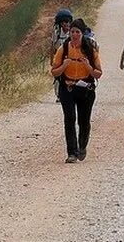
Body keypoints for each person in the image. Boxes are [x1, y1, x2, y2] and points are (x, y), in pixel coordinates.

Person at [51, 18, 103, 163]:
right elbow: (54, 72)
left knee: (84, 121)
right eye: (72, 31)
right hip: (67, 88)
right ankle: (72, 153)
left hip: (85, 89)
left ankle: (82, 147)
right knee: (69, 119)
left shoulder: (90, 50)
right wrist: (64, 66)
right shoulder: (64, 48)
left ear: (82, 33)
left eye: (77, 32)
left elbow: (98, 74)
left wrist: (88, 67)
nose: (74, 34)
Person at [51, 9, 73, 103]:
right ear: (60, 23)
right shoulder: (56, 33)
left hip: (69, 58)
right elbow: (52, 47)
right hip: (59, 57)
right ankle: (59, 95)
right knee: (58, 78)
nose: (66, 24)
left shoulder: (72, 33)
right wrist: (52, 60)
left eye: (68, 22)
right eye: (64, 22)